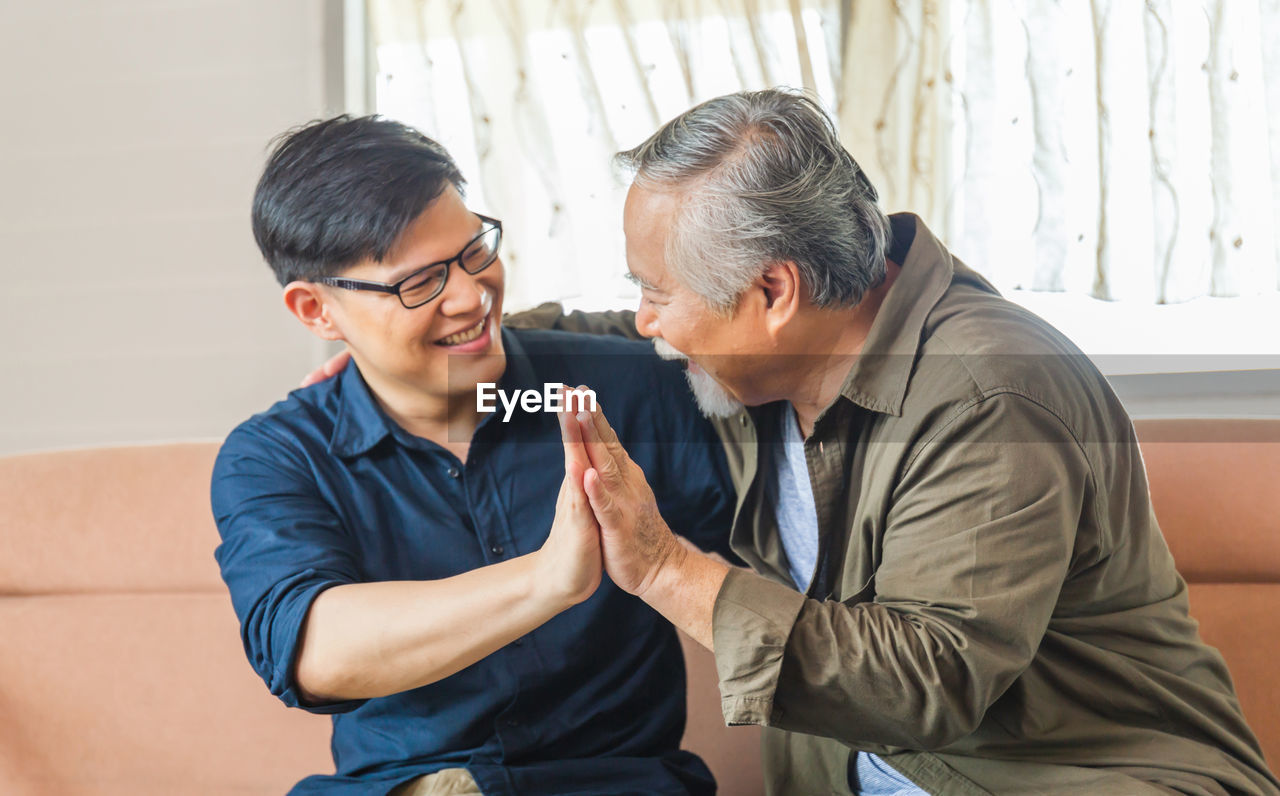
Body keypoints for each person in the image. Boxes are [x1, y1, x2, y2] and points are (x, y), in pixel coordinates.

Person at [520, 89, 1280, 794]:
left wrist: (662, 569)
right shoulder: (764, 359)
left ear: (773, 292)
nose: (645, 321)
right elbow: (572, 352)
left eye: (655, 292)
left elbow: (930, 681)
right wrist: (452, 338)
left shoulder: (991, 393)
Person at [211, 115, 736, 796]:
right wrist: (550, 578)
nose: (470, 296)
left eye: (473, 251)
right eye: (420, 282)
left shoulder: (634, 390)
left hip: (614, 782)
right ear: (316, 310)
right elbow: (314, 648)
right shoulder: (276, 457)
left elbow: (800, 549)